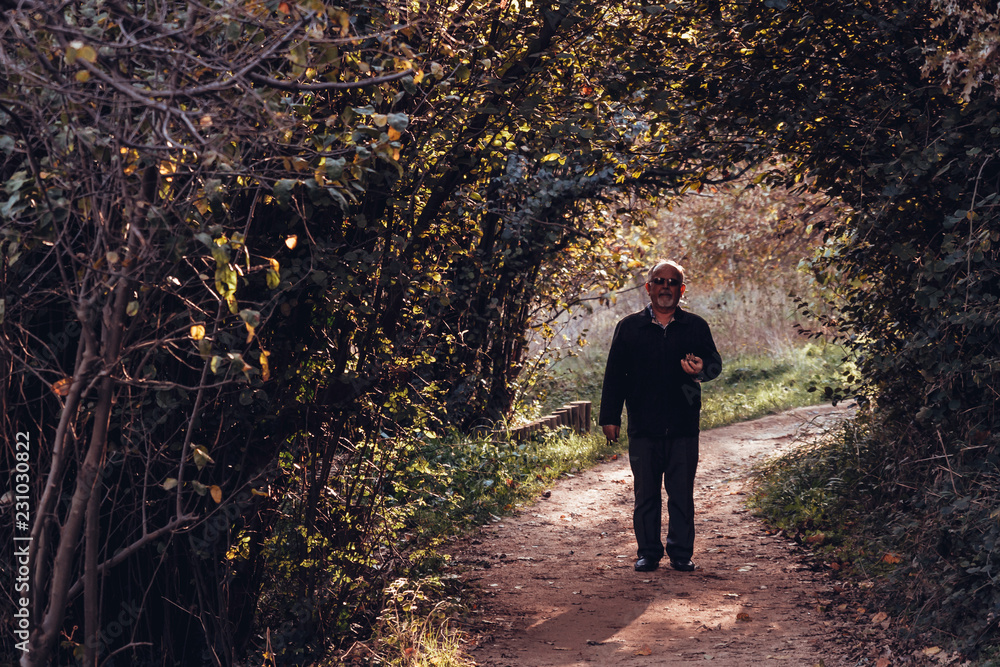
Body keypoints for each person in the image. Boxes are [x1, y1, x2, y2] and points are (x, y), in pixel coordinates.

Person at [599, 260, 722, 573]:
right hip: (642, 425)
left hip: (683, 425)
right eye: (659, 281)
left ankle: (681, 554)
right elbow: (614, 376)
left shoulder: (695, 326)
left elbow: (714, 365)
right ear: (649, 287)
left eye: (672, 282)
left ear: (681, 290)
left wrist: (701, 370)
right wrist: (610, 417)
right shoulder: (629, 328)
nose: (666, 287)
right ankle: (648, 554)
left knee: (681, 493)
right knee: (646, 495)